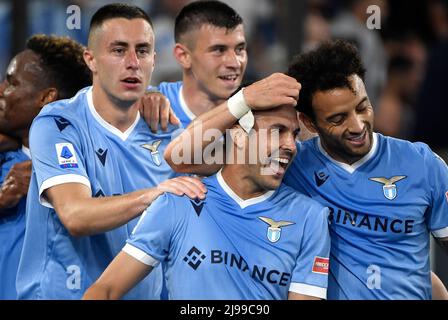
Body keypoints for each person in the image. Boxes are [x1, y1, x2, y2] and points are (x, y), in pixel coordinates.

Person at [163, 40, 448, 300]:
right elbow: (179, 156)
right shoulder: (288, 162)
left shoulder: (423, 164)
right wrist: (244, 100)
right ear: (309, 124)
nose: (358, 126)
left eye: (362, 107)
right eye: (338, 118)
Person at [16, 4, 205, 300]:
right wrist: (155, 194)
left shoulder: (169, 131)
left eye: (142, 51)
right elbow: (76, 215)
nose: (132, 62)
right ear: (90, 59)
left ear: (154, 60)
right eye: (118, 50)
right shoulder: (58, 123)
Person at [83, 101, 330, 300]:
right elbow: (104, 290)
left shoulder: (310, 217)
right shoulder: (180, 201)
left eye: (295, 134)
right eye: (278, 131)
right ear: (239, 135)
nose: (291, 145)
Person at [0, 34, 92, 299]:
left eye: (11, 82)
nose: (1, 89)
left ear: (46, 97)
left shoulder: (87, 170)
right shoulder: (5, 163)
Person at [154, 0, 247, 129]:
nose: (235, 63)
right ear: (184, 56)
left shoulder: (260, 120)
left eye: (239, 49)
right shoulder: (147, 107)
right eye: (219, 50)